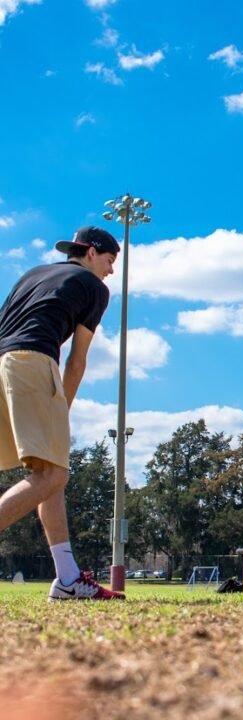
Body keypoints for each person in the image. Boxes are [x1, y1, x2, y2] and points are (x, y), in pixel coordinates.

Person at [0, 226, 125, 600]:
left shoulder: (32, 273)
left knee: (47, 470)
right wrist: (62, 410)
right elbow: (77, 361)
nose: (110, 271)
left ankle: (68, 577)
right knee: (54, 474)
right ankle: (68, 578)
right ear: (89, 253)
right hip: (32, 361)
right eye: (109, 260)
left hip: (2, 362)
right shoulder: (94, 288)